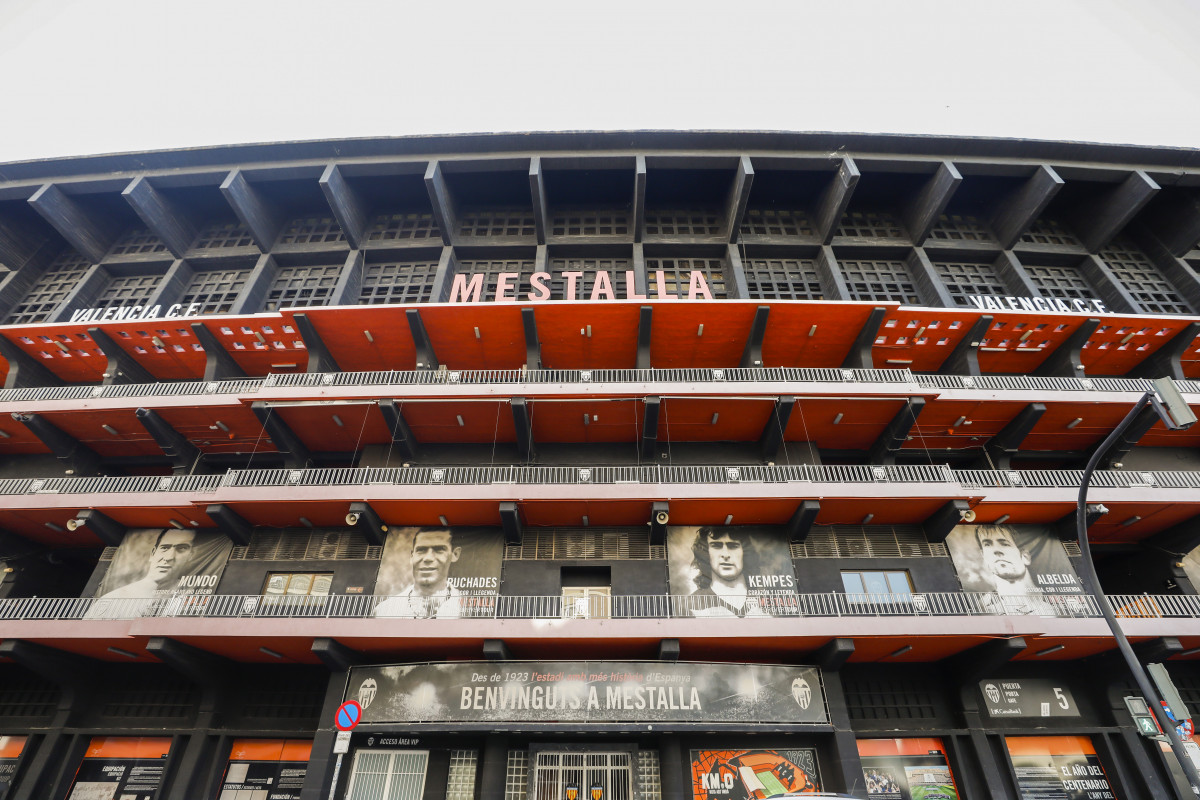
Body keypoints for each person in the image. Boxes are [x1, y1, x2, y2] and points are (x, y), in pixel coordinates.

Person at [374, 529, 464, 618]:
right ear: (412, 556)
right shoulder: (384, 611)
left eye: (439, 550)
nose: (428, 558)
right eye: (421, 550)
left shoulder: (467, 609)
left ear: (455, 554)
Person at [686, 527, 769, 618]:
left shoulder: (767, 600)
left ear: (745, 553)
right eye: (716, 546)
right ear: (705, 553)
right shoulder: (690, 604)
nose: (725, 555)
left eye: (733, 546)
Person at [974, 526, 1052, 615]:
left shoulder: (1055, 601)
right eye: (987, 544)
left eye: (1005, 544)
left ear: (1025, 556)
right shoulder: (982, 608)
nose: (996, 551)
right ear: (983, 555)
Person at [98, 529, 195, 599]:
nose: (169, 557)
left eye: (182, 548)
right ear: (153, 553)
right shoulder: (114, 598)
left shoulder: (192, 597)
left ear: (191, 555)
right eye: (164, 548)